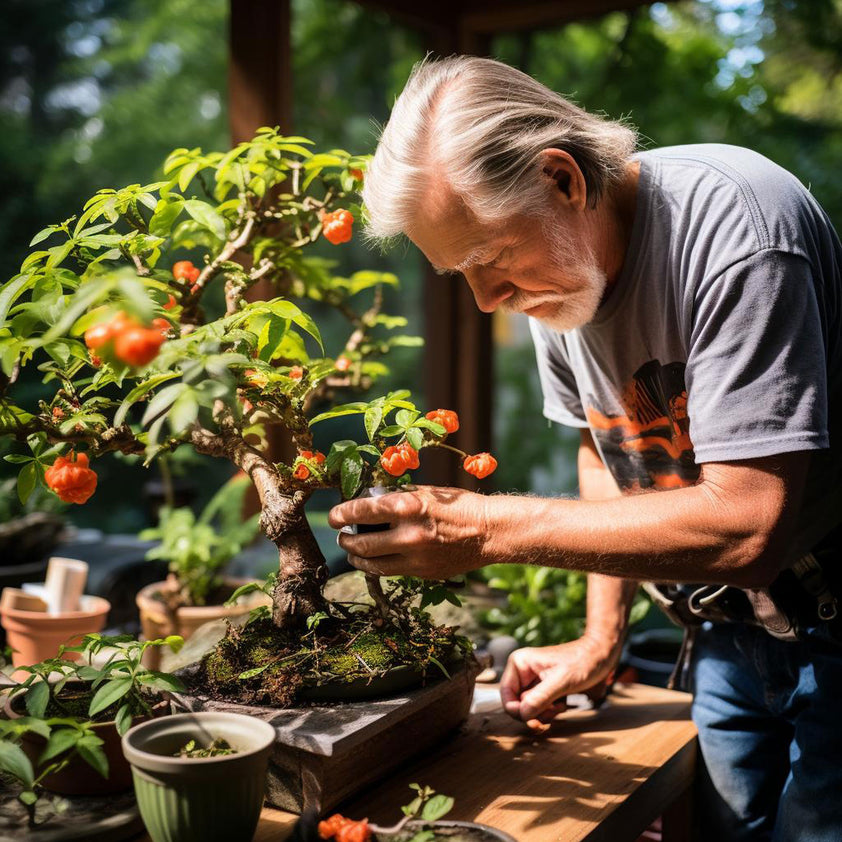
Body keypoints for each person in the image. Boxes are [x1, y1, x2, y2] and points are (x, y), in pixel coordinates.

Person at [328, 55, 842, 841]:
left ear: (561, 179)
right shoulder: (562, 276)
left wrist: (485, 528)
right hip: (723, 629)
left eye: (491, 257)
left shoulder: (738, 233)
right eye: (460, 272)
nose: (488, 300)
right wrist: (602, 639)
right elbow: (607, 454)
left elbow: (748, 526)